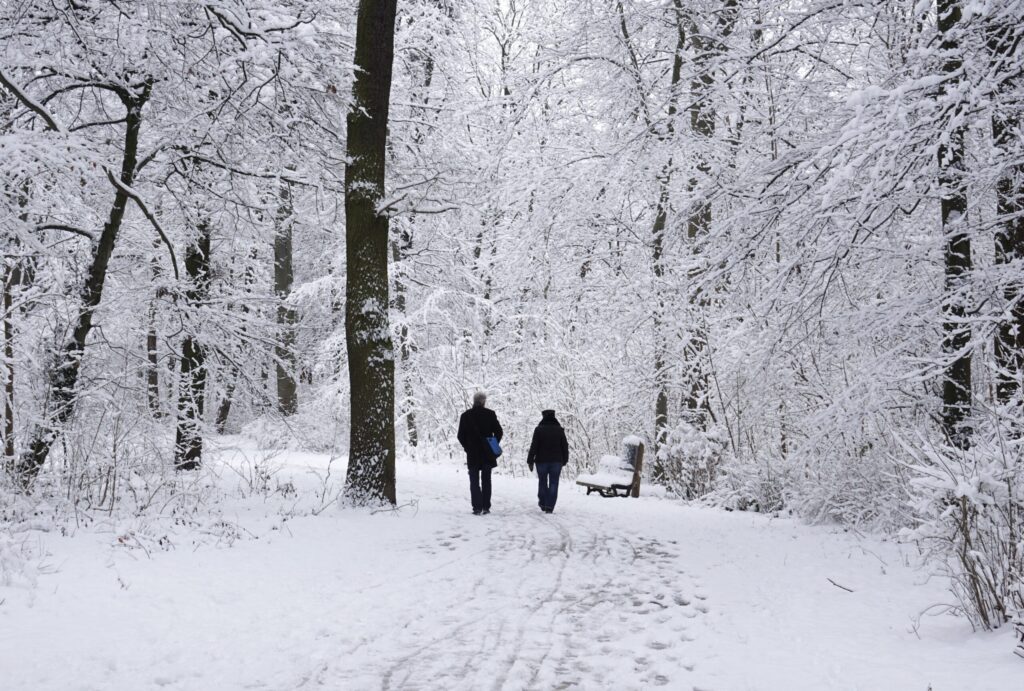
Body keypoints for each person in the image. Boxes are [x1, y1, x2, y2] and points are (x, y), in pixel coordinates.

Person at [457, 391, 503, 515]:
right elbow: (499, 432)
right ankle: (486, 507)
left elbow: (460, 436)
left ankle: (477, 507)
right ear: (483, 402)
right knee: (486, 480)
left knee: (474, 480)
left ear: (474, 401)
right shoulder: (490, 414)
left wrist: (468, 447)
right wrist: (492, 444)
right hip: (487, 454)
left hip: (472, 454)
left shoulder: (465, 416)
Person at [527, 409, 569, 513]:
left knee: (542, 482)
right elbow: (565, 446)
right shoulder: (559, 430)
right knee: (554, 483)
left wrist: (530, 460)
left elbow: (534, 446)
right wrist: (565, 460)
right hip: (556, 461)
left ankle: (543, 502)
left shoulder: (539, 429)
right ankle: (550, 506)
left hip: (541, 461)